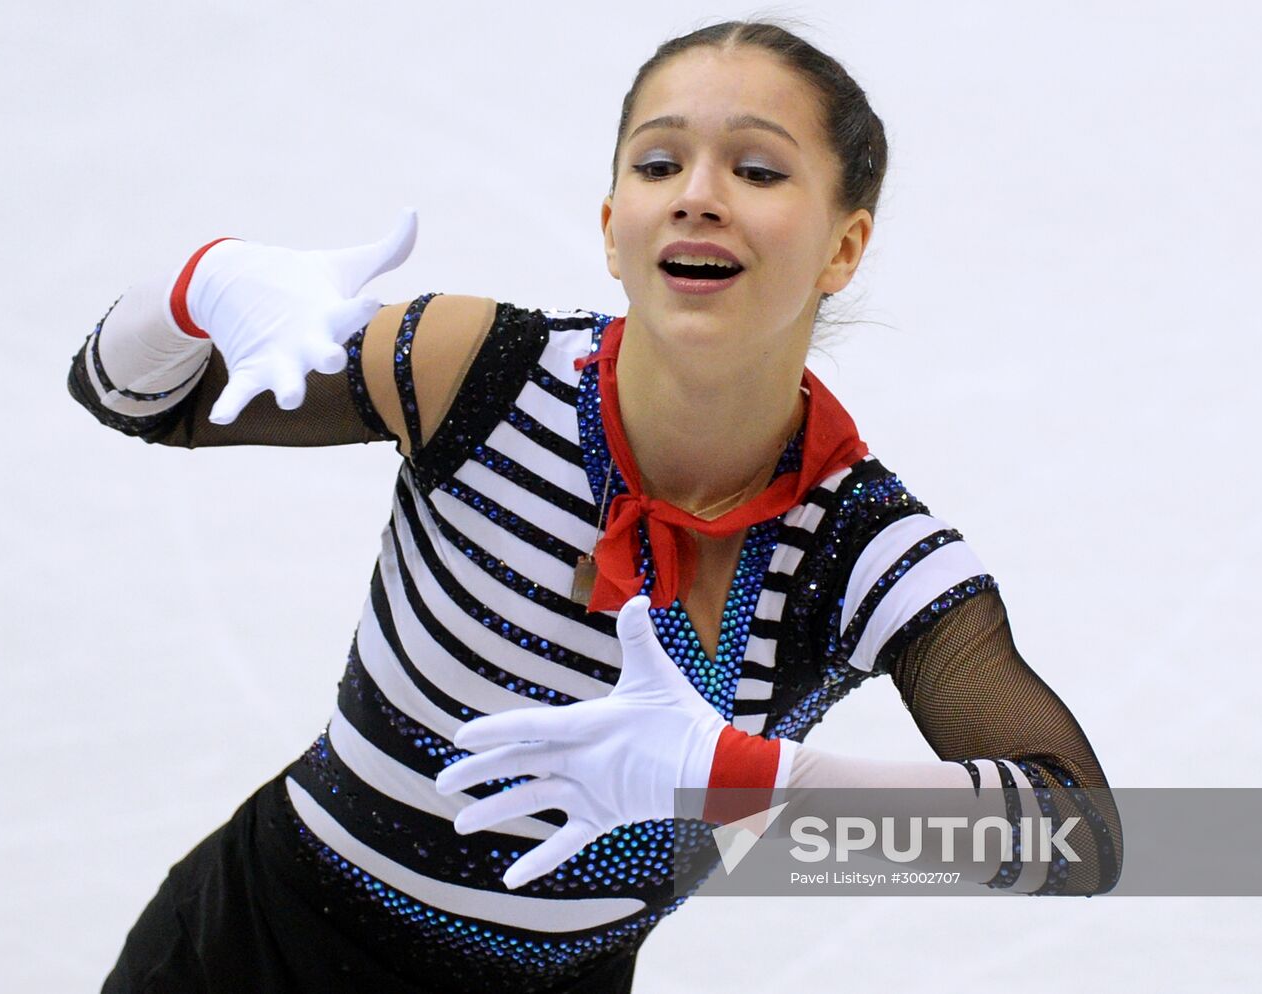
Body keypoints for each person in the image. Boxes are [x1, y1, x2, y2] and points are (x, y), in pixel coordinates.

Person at [70, 19, 1122, 994]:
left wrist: (746, 776)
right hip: (247, 952)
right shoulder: (479, 372)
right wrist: (204, 283)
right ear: (613, 224)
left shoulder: (861, 550)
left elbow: (1077, 843)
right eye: (658, 164)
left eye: (755, 169)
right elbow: (129, 394)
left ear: (842, 248)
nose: (697, 194)